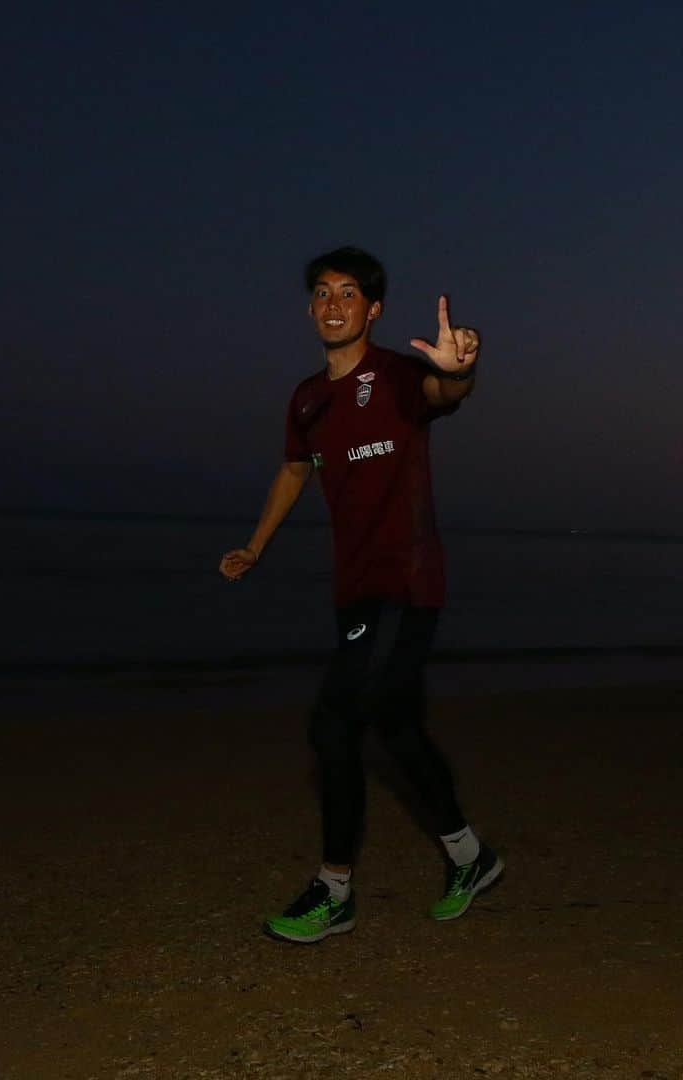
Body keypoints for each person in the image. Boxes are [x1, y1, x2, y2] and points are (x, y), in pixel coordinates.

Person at [219, 246, 502, 944]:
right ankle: (472, 858)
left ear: (373, 309)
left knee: (333, 726)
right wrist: (256, 544)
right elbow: (294, 470)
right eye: (322, 292)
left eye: (349, 293)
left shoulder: (401, 375)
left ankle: (334, 889)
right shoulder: (308, 398)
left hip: (404, 581)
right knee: (396, 726)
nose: (334, 303)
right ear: (310, 307)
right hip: (354, 587)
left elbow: (444, 396)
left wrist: (458, 367)